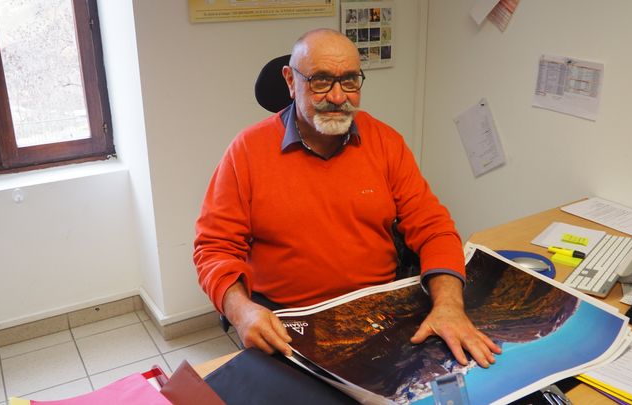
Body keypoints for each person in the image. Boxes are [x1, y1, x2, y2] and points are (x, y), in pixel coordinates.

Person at [193, 28, 501, 368]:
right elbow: (214, 249)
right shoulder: (247, 151)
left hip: (379, 310)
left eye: (350, 81)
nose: (339, 97)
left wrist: (449, 306)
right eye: (321, 81)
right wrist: (242, 311)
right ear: (290, 81)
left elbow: (434, 229)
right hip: (289, 321)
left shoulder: (385, 142)